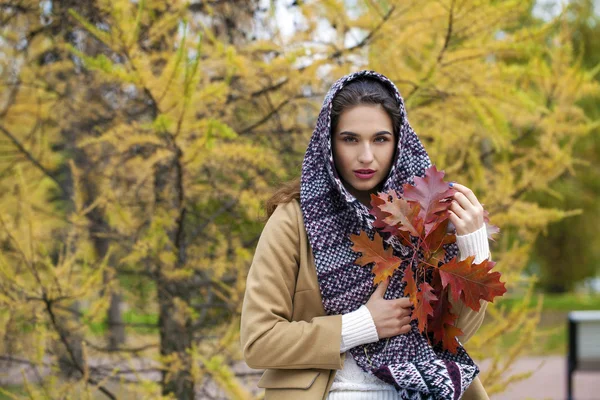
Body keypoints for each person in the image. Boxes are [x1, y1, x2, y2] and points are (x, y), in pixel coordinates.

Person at [240, 70, 492, 400]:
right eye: (350, 139)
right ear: (328, 143)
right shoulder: (294, 221)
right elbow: (259, 342)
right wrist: (361, 325)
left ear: (399, 141)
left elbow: (458, 332)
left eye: (380, 139)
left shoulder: (426, 216)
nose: (366, 157)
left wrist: (473, 243)